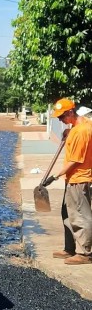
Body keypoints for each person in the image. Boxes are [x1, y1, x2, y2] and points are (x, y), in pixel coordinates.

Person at [43, 98, 92, 265]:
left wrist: (55, 176)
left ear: (71, 112)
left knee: (80, 216)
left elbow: (75, 161)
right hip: (72, 178)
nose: (60, 120)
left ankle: (85, 253)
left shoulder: (81, 131)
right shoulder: (77, 127)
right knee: (67, 214)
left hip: (80, 179)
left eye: (61, 117)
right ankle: (70, 249)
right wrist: (68, 133)